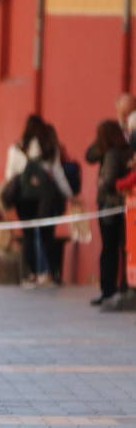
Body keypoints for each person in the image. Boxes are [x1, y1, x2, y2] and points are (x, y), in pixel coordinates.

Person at [4, 115, 72, 287]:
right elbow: (58, 174)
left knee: (27, 235)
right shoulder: (49, 148)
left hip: (23, 198)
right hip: (45, 198)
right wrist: (70, 195)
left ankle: (30, 274)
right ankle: (48, 273)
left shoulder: (16, 149)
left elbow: (9, 175)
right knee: (47, 235)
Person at [88, 120, 131, 306]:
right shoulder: (127, 150)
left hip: (109, 207)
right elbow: (88, 155)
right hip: (124, 206)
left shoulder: (111, 154)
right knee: (124, 248)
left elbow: (109, 179)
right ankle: (123, 286)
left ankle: (108, 289)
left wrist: (101, 183)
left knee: (109, 249)